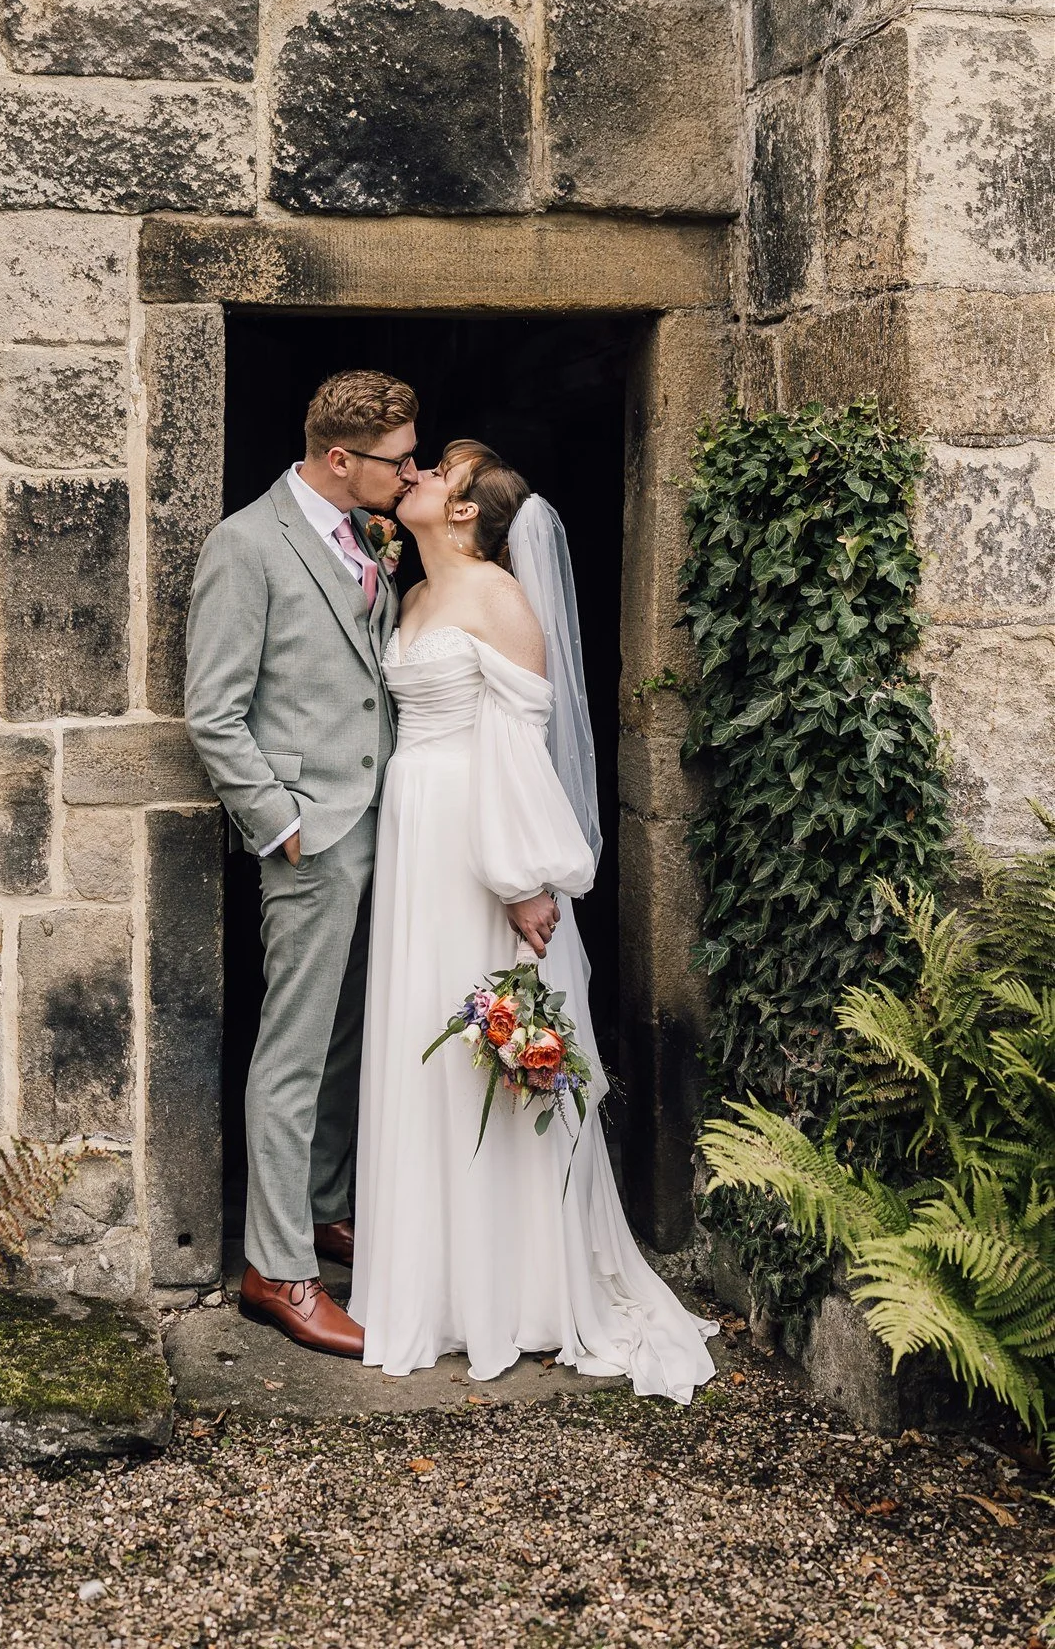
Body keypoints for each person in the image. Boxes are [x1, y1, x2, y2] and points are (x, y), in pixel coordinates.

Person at [349, 440, 718, 1399]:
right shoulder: (416, 591)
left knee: (483, 1036)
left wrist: (521, 877)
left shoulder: (496, 598)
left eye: (439, 475)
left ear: (467, 512)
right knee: (418, 1037)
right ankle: (430, 1281)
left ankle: (514, 1289)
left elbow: (517, 746)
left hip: (475, 842)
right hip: (413, 833)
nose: (418, 475)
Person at [184, 370, 417, 1358]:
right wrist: (280, 823)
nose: (410, 475)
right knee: (291, 1050)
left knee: (344, 1040)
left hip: (386, 829)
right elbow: (214, 709)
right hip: (311, 840)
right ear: (339, 459)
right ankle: (276, 1271)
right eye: (397, 460)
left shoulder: (367, 536)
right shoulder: (247, 545)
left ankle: (323, 1206)